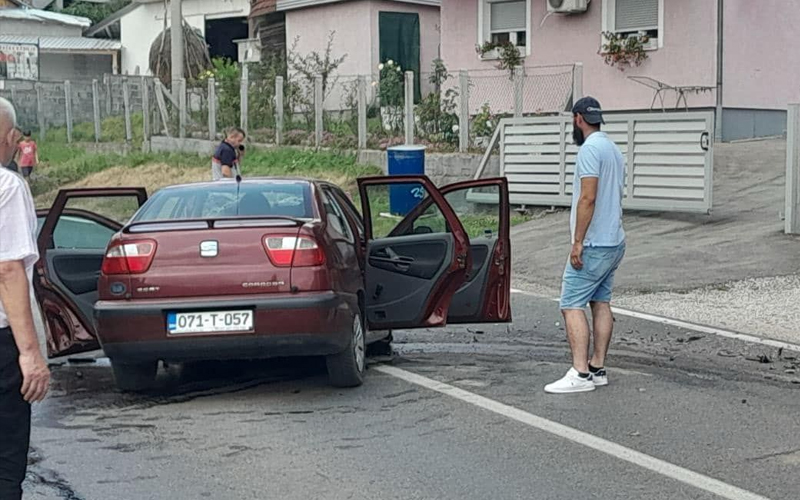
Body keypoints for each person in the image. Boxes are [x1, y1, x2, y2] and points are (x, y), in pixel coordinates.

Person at [544, 97, 626, 394]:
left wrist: (578, 241)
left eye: (573, 121)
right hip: (614, 240)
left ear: (578, 118)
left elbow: (588, 198)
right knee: (600, 301)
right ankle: (597, 367)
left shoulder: (589, 150)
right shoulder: (613, 149)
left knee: (571, 304)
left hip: (594, 243)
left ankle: (579, 373)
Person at [0, 98, 51, 500]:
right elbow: (8, 269)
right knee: (5, 460)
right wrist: (30, 353)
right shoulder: (7, 186)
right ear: (12, 138)